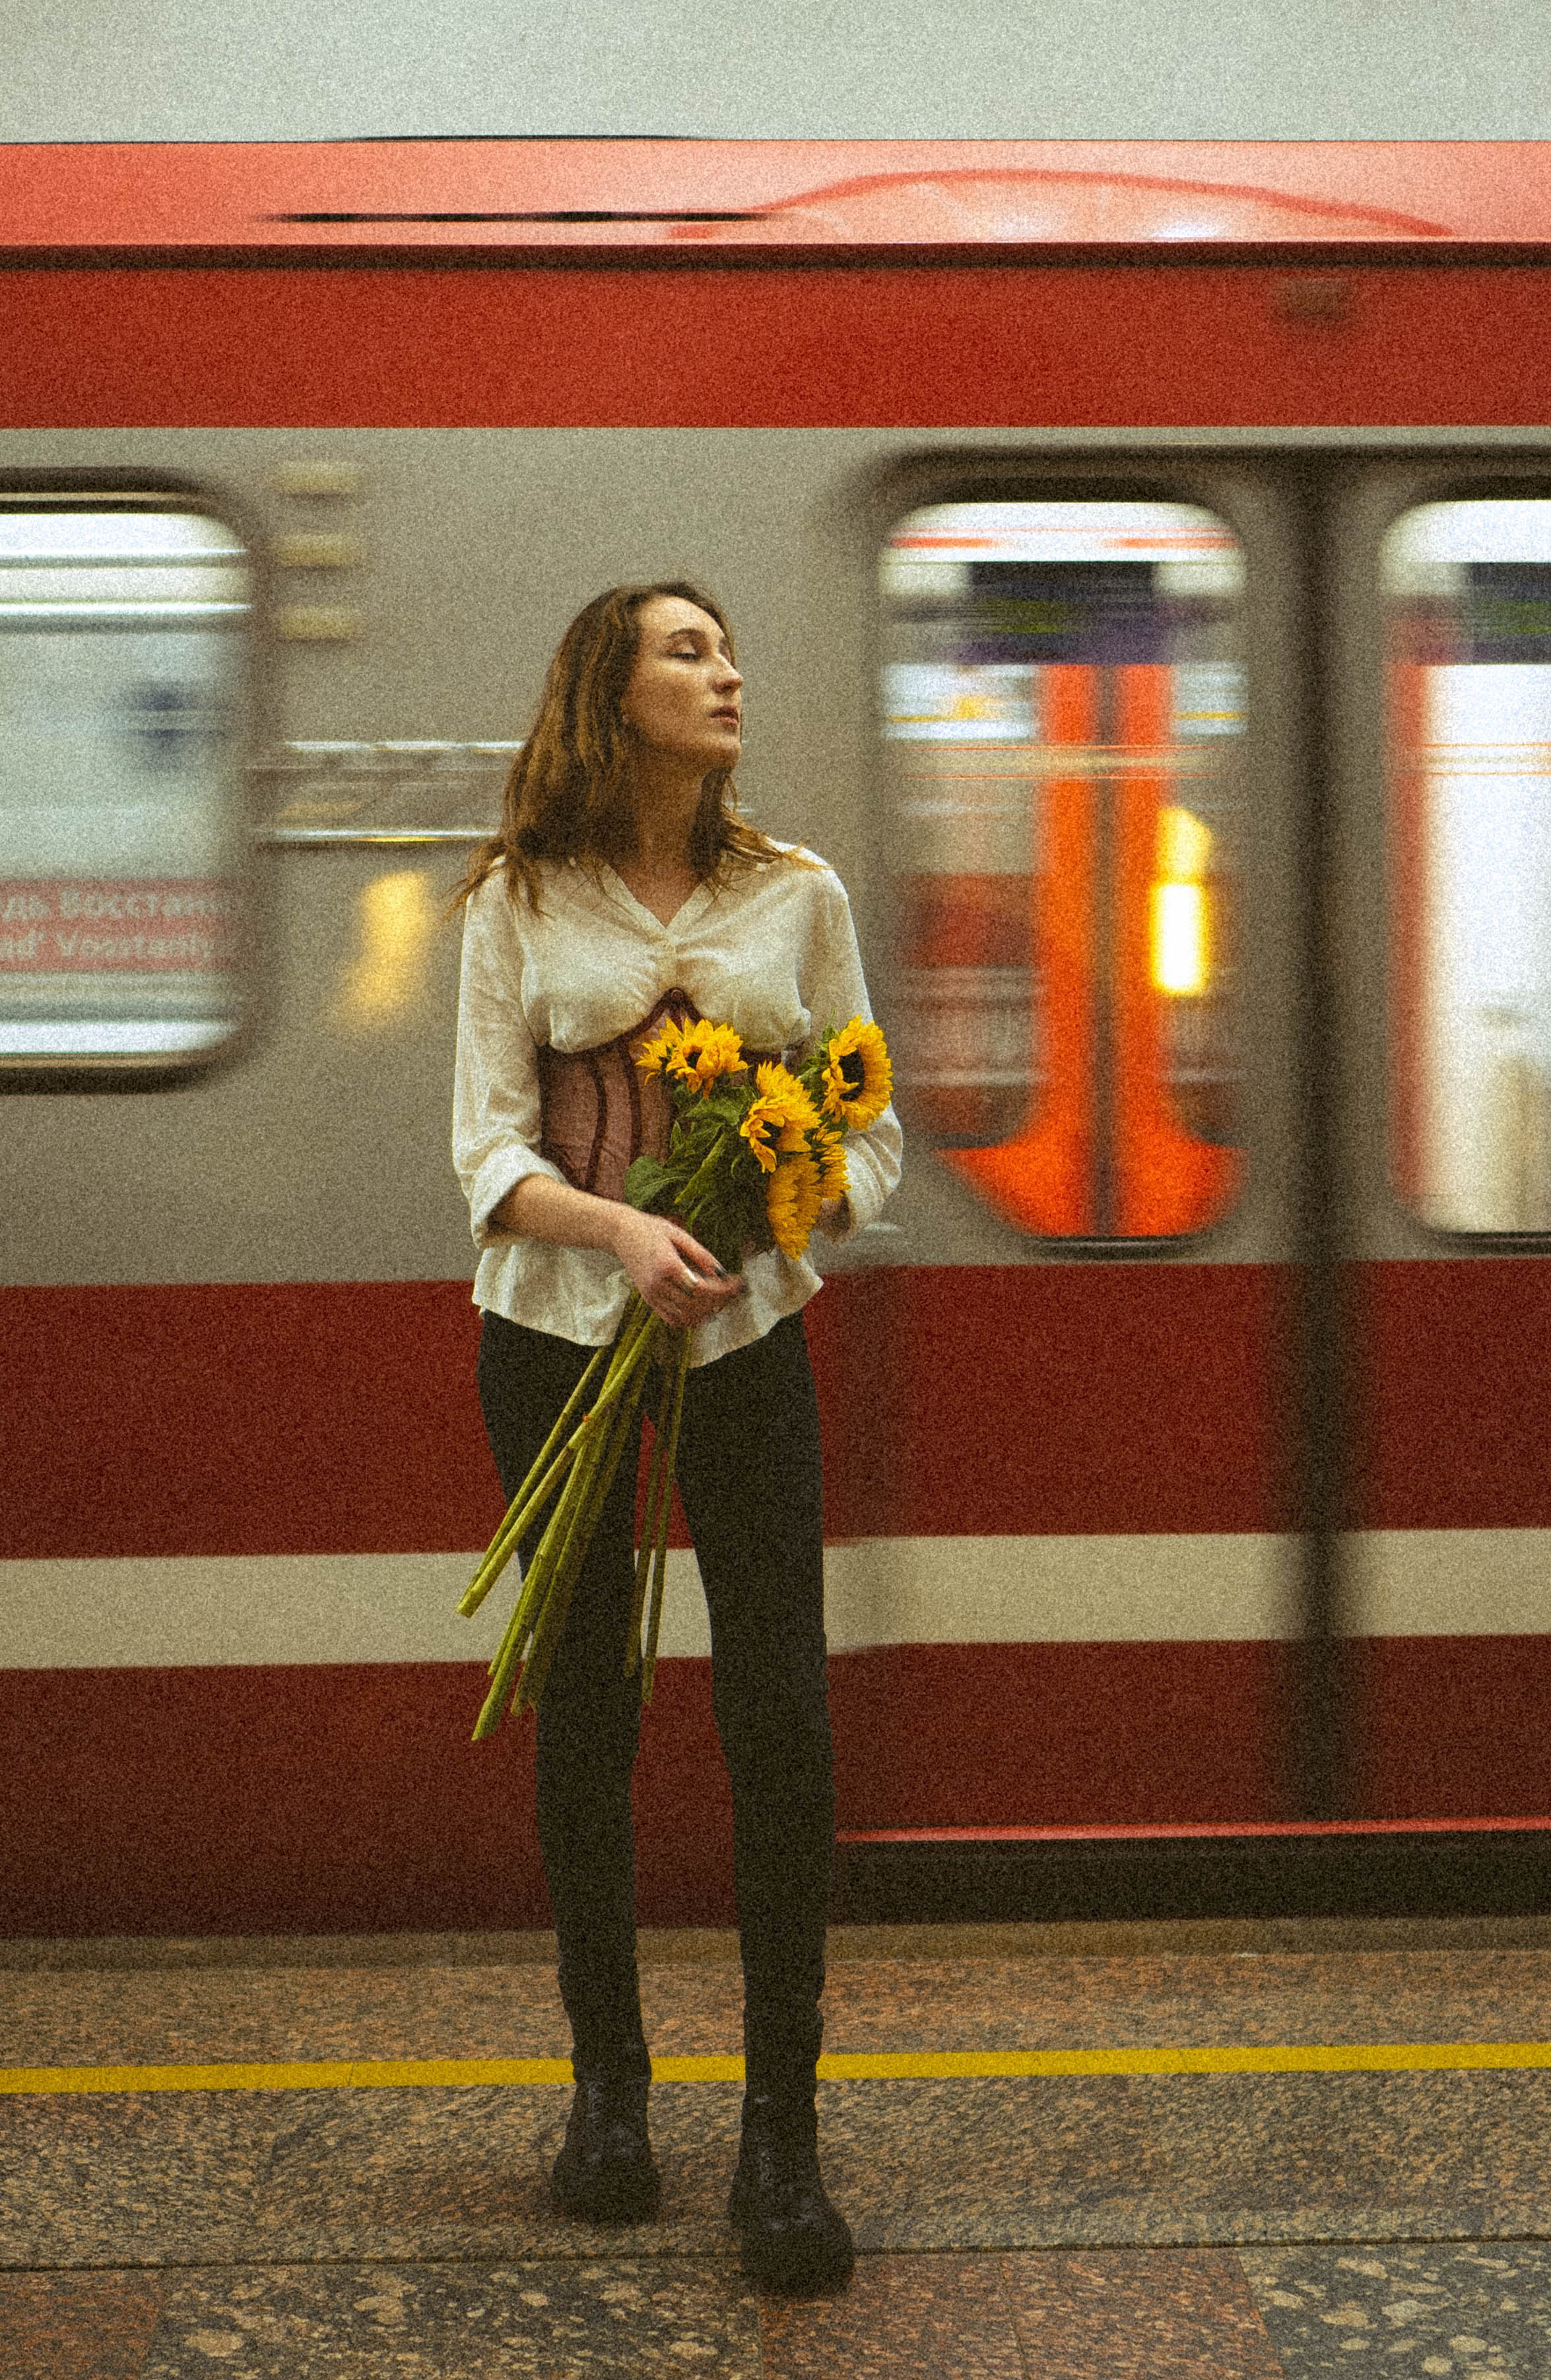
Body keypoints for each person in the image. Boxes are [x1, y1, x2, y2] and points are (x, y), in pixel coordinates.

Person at [450, 581, 902, 2295]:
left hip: (748, 1341)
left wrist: (790, 1187)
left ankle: (782, 2131)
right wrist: (627, 1232)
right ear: (611, 694)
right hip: (554, 1338)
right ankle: (611, 2092)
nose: (728, 674)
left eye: (728, 648)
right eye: (687, 652)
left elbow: (872, 1127)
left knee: (779, 1707)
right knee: (588, 1700)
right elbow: (488, 1154)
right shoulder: (519, 899)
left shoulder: (799, 895)